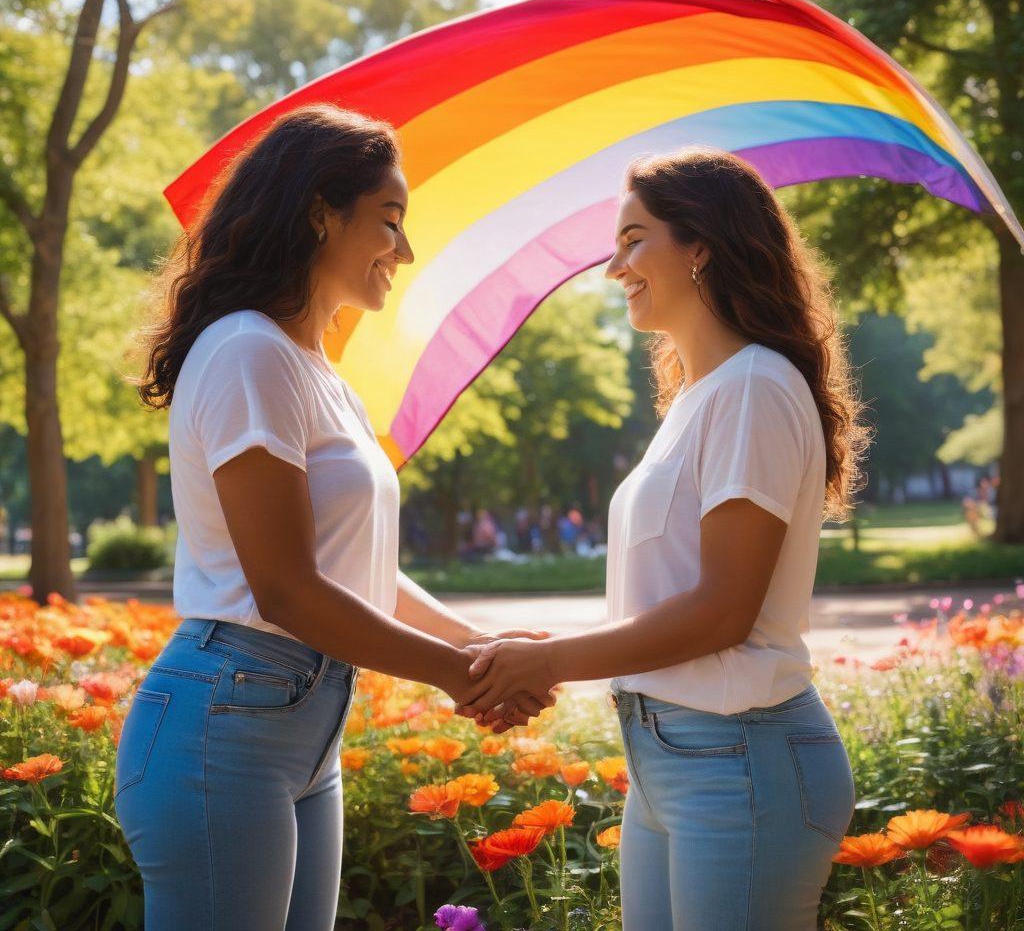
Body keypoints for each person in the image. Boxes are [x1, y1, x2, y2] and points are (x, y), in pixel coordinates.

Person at [121, 105, 550, 931]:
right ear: (321, 211)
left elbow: (360, 571)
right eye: (390, 219)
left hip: (299, 727)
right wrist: (464, 677)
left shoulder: (319, 373)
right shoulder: (248, 351)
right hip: (227, 722)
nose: (406, 249)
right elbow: (284, 589)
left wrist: (482, 646)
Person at [460, 148, 872, 931]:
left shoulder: (754, 386)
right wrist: (543, 647)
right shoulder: (701, 396)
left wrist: (549, 663)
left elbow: (723, 613)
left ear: (701, 247)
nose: (614, 266)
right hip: (671, 760)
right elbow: (673, 592)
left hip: (741, 760)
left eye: (633, 239)